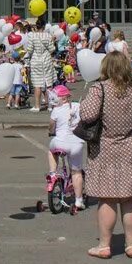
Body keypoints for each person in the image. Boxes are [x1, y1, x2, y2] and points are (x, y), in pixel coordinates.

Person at [81, 51, 132, 259]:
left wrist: (83, 102)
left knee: (107, 198)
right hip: (131, 145)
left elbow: (87, 115)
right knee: (130, 197)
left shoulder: (99, 89)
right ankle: (131, 245)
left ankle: (104, 245)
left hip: (105, 147)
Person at [47, 84, 85, 212]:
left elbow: (51, 126)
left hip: (60, 142)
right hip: (76, 143)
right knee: (76, 172)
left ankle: (53, 174)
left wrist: (51, 131)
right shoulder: (78, 106)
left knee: (51, 150)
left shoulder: (55, 111)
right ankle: (79, 200)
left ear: (63, 98)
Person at [23, 17, 56, 112]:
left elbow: (29, 50)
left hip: (36, 61)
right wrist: (53, 42)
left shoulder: (32, 36)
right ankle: (50, 105)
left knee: (37, 84)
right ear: (44, 26)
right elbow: (52, 49)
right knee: (49, 84)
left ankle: (37, 106)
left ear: (36, 26)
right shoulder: (48, 36)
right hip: (47, 61)